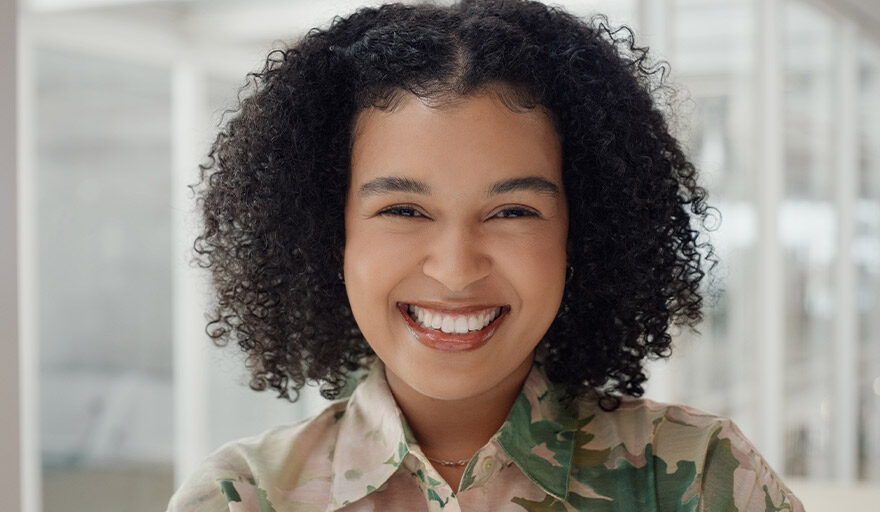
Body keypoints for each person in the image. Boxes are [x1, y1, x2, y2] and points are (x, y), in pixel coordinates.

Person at [167, 0, 804, 510]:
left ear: (579, 235)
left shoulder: (698, 479)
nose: (455, 267)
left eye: (512, 213)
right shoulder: (241, 497)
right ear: (326, 235)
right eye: (404, 211)